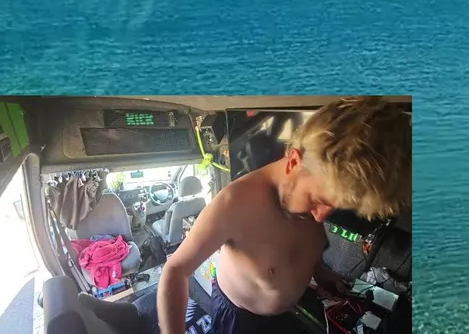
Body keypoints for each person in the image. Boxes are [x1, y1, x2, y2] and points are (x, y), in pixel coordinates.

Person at [157, 97, 411, 334]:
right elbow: (176, 271)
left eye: (334, 207)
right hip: (241, 319)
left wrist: (319, 271)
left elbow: (294, 246)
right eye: (317, 200)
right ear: (293, 162)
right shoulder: (233, 204)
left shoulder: (311, 190)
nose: (321, 217)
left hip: (292, 309)